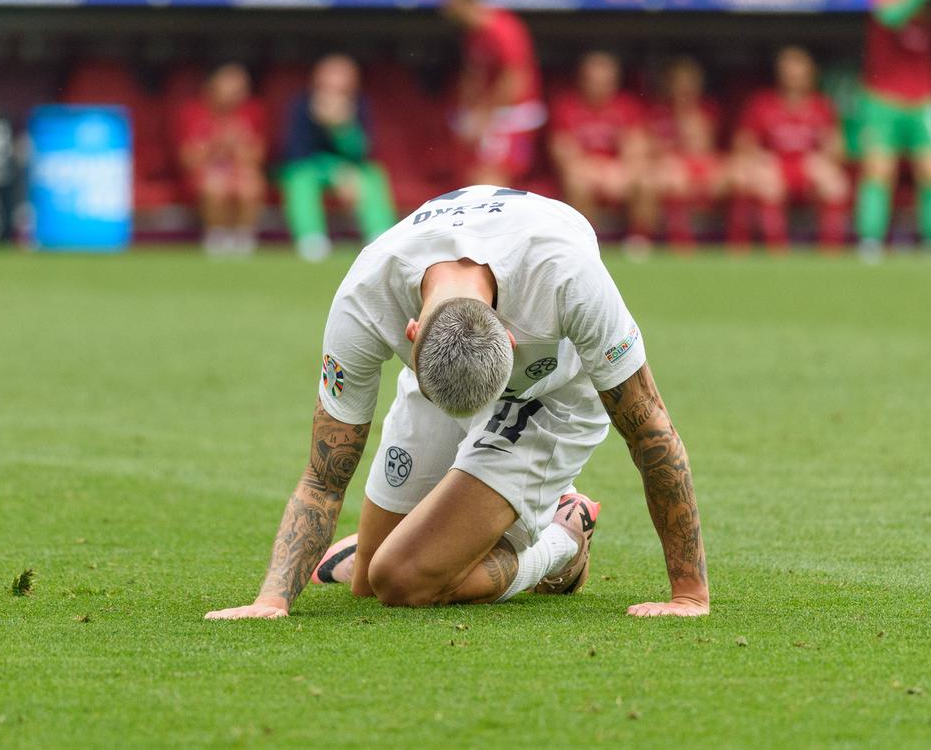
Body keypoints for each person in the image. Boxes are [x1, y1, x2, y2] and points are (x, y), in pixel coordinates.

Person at [205, 185, 709, 621]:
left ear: (510, 340)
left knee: (402, 581)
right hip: (452, 368)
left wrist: (688, 595)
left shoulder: (570, 278)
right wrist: (271, 600)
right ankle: (457, 531)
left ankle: (564, 538)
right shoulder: (364, 298)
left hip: (550, 394)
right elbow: (324, 475)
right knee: (367, 580)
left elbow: (650, 430)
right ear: (411, 332)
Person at [855, 0, 931, 259]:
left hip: (924, 101)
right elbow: (887, 18)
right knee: (879, 170)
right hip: (882, 99)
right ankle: (870, 240)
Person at [729, 47, 850, 251]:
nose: (794, 79)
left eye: (799, 74)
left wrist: (824, 155)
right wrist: (761, 158)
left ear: (810, 75)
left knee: (836, 184)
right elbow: (742, 144)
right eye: (789, 73)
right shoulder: (763, 103)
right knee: (761, 182)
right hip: (775, 167)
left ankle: (831, 253)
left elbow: (838, 149)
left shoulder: (821, 106)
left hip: (806, 167)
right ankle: (775, 251)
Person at [279, 54, 397, 262]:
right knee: (298, 178)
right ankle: (311, 240)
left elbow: (363, 153)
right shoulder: (301, 105)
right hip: (312, 169)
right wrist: (334, 171)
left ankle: (380, 237)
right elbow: (296, 153)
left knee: (373, 175)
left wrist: (342, 128)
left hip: (350, 171)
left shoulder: (359, 105)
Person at [549, 51, 655, 247]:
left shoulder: (627, 106)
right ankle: (586, 243)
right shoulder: (567, 106)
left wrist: (619, 171)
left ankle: (639, 242)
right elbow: (564, 154)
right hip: (585, 172)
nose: (599, 86)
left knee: (646, 180)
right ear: (582, 79)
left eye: (605, 80)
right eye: (593, 80)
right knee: (576, 183)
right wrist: (598, 172)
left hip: (618, 172)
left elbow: (637, 149)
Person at [443, 0, 545, 187]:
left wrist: (483, 116)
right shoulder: (473, 34)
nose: (444, 5)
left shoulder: (502, 28)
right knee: (471, 179)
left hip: (514, 116)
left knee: (490, 181)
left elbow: (516, 80)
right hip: (489, 116)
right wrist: (467, 113)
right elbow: (474, 75)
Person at [175, 63, 266, 256]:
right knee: (215, 183)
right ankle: (217, 238)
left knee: (249, 183)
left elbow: (258, 157)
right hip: (205, 172)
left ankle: (243, 239)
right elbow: (187, 160)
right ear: (212, 87)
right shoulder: (193, 111)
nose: (235, 95)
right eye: (229, 88)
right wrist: (215, 143)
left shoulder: (252, 111)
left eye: (240, 89)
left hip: (240, 170)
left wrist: (238, 143)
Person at [647, 57, 727, 250]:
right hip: (667, 171)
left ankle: (738, 244)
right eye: (678, 82)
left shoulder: (707, 110)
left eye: (689, 82)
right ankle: (674, 243)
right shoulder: (658, 112)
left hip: (702, 168)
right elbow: (647, 149)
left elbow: (702, 150)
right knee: (671, 177)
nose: (683, 88)